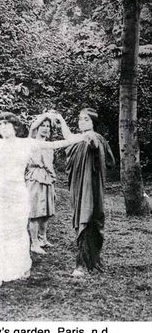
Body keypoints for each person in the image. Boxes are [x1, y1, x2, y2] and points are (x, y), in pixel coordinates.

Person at [0, 98, 85, 287]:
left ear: (15, 127)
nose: (4, 128)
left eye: (7, 125)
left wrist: (80, 137)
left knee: (17, 230)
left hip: (18, 191)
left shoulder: (26, 143)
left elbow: (54, 144)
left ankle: (21, 267)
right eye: (0, 125)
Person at [65, 108, 115, 277]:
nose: (82, 122)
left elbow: (97, 147)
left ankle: (82, 264)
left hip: (90, 188)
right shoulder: (78, 139)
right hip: (77, 187)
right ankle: (90, 260)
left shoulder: (95, 137)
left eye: (86, 119)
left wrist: (91, 138)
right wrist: (58, 118)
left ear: (93, 122)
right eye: (80, 119)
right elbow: (68, 139)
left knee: (87, 219)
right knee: (80, 220)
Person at [26, 113, 57, 254]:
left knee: (46, 212)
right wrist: (47, 115)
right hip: (34, 177)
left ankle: (43, 239)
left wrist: (53, 183)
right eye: (42, 126)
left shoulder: (49, 145)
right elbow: (32, 127)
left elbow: (50, 165)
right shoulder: (31, 141)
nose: (45, 129)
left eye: (47, 126)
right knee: (35, 211)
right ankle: (34, 243)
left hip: (47, 178)